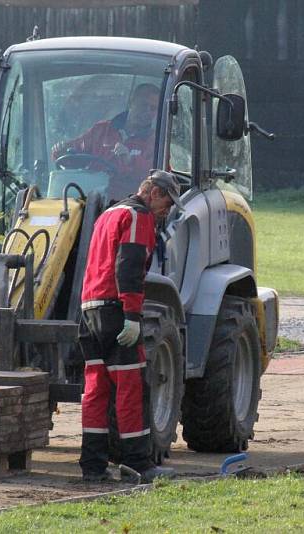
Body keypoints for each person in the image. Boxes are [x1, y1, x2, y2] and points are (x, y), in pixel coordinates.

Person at [77, 169, 183, 483]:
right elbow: (130, 266)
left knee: (96, 389)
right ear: (152, 192)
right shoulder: (139, 217)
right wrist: (133, 315)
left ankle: (93, 466)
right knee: (131, 388)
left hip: (89, 309)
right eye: (166, 201)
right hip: (115, 309)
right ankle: (138, 463)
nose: (166, 210)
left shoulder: (107, 214)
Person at [52, 83, 160, 182]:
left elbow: (155, 178)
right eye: (143, 105)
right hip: (90, 196)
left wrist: (130, 160)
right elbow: (76, 154)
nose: (147, 112)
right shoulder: (102, 130)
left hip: (128, 201)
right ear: (131, 102)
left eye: (153, 108)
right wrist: (62, 151)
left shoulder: (156, 143)